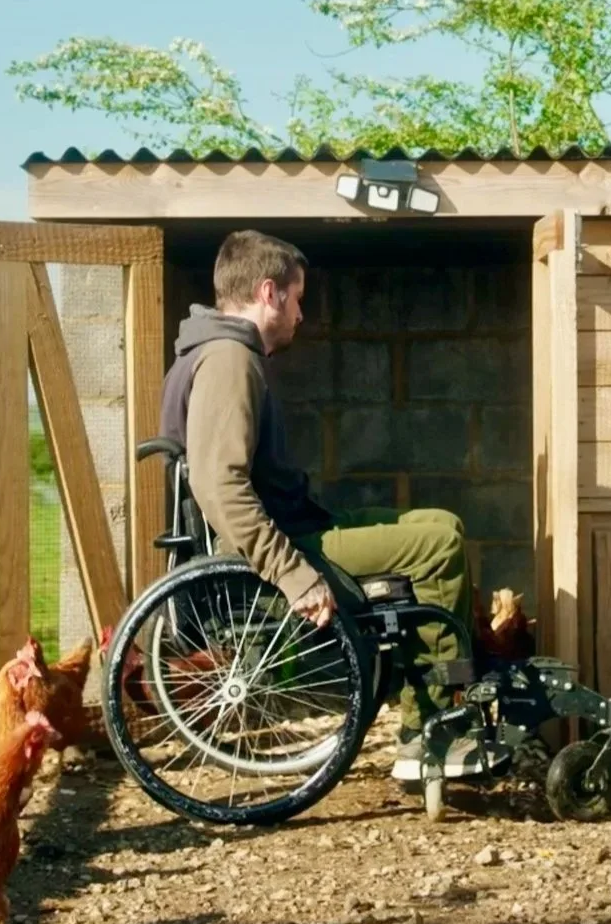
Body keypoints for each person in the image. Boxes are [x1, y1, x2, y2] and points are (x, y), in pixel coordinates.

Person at [159, 229, 489, 782]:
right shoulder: (227, 361)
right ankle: (431, 727)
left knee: (442, 522)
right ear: (270, 292)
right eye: (298, 298)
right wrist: (295, 575)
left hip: (297, 527)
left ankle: (432, 701)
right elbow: (220, 485)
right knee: (439, 546)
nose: (301, 315)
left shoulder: (211, 352)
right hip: (282, 549)